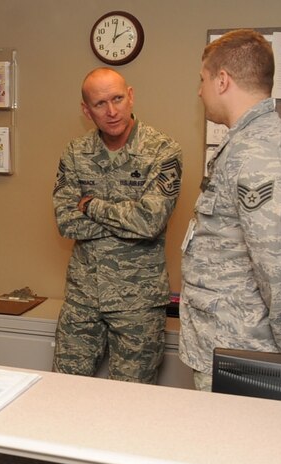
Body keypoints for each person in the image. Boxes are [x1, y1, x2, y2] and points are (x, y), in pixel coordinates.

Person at [180, 29, 281, 391]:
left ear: (222, 80)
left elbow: (278, 263)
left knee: (227, 445)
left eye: (202, 79)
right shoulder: (256, 140)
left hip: (241, 350)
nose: (199, 91)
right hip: (231, 342)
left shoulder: (256, 151)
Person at [52, 68, 183, 384]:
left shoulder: (163, 151)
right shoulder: (75, 152)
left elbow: (150, 221)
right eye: (100, 104)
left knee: (130, 406)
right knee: (61, 394)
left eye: (118, 99)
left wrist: (92, 206)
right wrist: (129, 221)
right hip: (82, 297)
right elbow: (66, 221)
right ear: (86, 110)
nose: (111, 111)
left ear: (131, 96)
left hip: (137, 302)